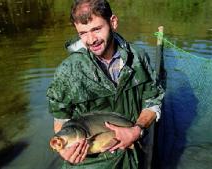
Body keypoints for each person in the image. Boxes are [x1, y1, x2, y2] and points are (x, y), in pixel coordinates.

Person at [47, 0, 164, 168]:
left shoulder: (138, 58)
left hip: (132, 158)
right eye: (83, 33)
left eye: (96, 29)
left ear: (113, 22)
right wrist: (64, 150)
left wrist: (136, 129)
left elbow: (153, 102)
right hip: (89, 164)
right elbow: (61, 118)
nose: (91, 39)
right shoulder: (68, 71)